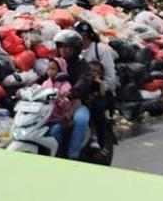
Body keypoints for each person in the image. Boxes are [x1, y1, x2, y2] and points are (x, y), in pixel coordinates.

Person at [73, 21, 117, 155]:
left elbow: (110, 76)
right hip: (79, 90)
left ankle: (98, 139)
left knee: (95, 107)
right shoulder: (74, 52)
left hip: (99, 91)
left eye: (85, 37)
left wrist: (101, 88)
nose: (83, 40)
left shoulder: (100, 50)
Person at [49, 31, 91, 160]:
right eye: (61, 46)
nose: (64, 50)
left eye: (67, 47)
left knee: (81, 120)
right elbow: (43, 78)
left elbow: (83, 81)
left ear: (76, 49)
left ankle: (73, 155)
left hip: (76, 104)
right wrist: (28, 88)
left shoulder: (83, 65)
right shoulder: (57, 63)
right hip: (55, 103)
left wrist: (71, 92)